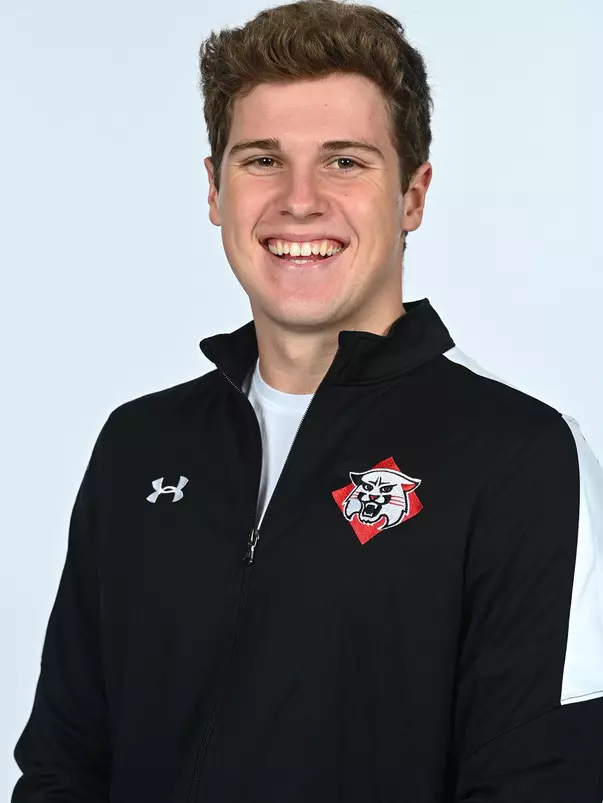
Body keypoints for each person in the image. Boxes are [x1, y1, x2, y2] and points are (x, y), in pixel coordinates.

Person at [12, 0, 603, 801]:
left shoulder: (520, 457)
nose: (299, 200)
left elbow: (539, 781)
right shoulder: (139, 445)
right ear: (214, 189)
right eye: (261, 159)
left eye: (345, 162)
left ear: (412, 196)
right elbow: (62, 763)